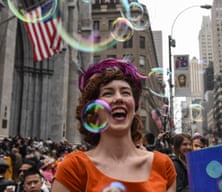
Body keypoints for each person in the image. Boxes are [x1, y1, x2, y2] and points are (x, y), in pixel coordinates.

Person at [52, 58, 176, 192]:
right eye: (108, 93)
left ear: (134, 108)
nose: (119, 98)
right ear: (94, 110)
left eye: (125, 92)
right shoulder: (73, 168)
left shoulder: (163, 166)